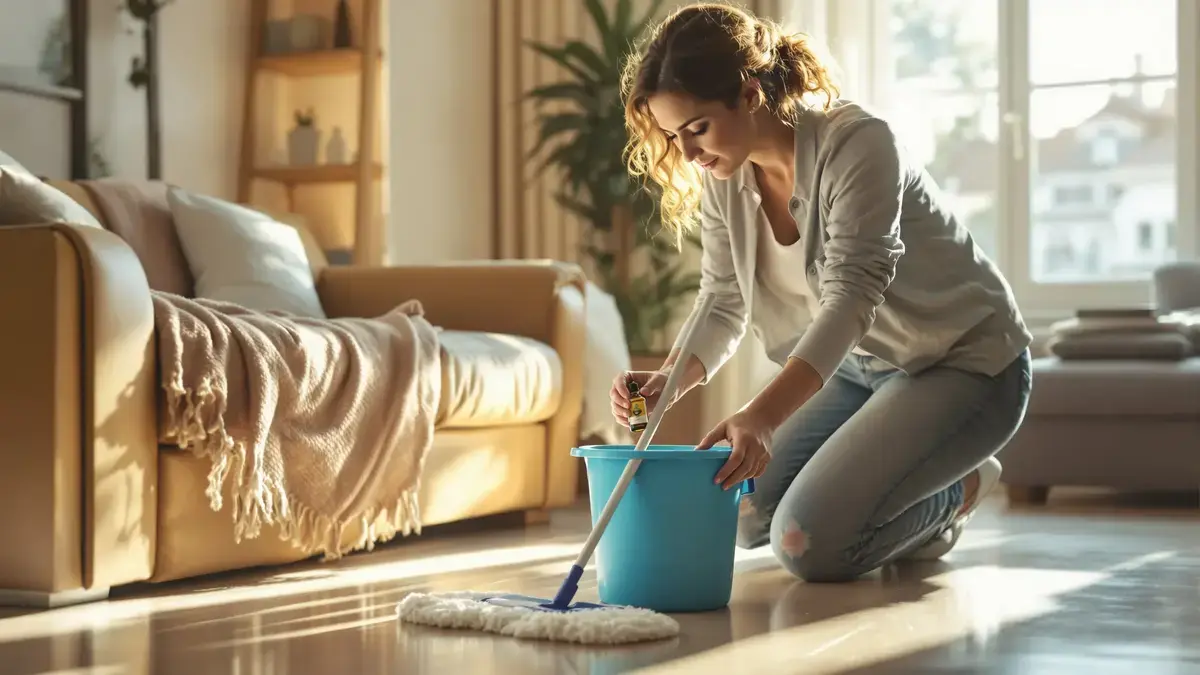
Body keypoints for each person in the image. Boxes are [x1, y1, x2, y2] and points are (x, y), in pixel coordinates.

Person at [608, 2, 1033, 583]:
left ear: (750, 93)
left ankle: (956, 488)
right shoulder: (725, 175)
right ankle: (908, 482)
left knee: (807, 543)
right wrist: (672, 378)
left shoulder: (858, 144)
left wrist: (759, 416)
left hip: (963, 364)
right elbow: (724, 298)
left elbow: (852, 297)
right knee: (739, 514)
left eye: (698, 128)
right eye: (673, 136)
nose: (688, 154)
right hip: (858, 372)